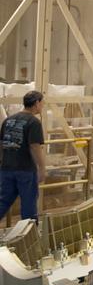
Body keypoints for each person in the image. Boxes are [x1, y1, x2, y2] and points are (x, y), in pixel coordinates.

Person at [0, 90, 46, 227]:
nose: (43, 106)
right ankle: (30, 236)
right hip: (25, 170)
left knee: (3, 202)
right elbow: (35, 146)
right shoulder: (34, 122)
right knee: (28, 206)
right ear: (37, 103)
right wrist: (42, 168)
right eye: (42, 103)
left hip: (6, 169)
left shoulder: (8, 120)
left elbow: (1, 144)